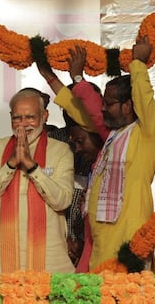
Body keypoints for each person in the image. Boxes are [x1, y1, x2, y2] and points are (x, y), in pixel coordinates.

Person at [44, 37, 155, 271]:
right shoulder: (112, 134)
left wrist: (138, 64)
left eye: (109, 103)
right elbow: (83, 110)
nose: (102, 107)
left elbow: (145, 98)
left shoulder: (149, 134)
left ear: (128, 105)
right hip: (101, 237)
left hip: (129, 236)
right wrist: (74, 78)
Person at [0, 88, 75, 273]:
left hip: (48, 257)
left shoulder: (60, 151)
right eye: (17, 118)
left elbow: (62, 201)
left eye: (30, 117)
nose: (23, 124)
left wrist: (32, 167)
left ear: (44, 116)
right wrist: (10, 164)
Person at [36, 62, 104, 266]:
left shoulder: (107, 143)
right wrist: (59, 240)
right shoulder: (50, 141)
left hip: (95, 241)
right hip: (53, 241)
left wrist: (85, 242)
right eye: (71, 104)